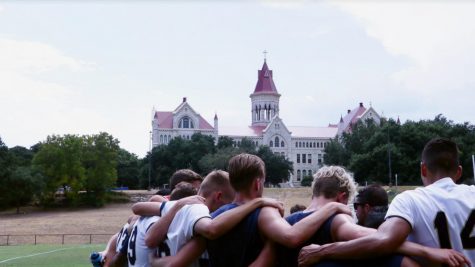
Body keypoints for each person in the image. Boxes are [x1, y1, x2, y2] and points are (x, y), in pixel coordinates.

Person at [298, 138, 473, 267]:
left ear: (423, 169)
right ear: (458, 172)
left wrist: (322, 251)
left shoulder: (410, 200)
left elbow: (382, 241)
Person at [132, 170, 284, 267]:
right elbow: (212, 229)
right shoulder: (198, 209)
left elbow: (139, 209)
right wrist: (258, 202)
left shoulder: (182, 206)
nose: (229, 210)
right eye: (228, 204)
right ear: (218, 196)